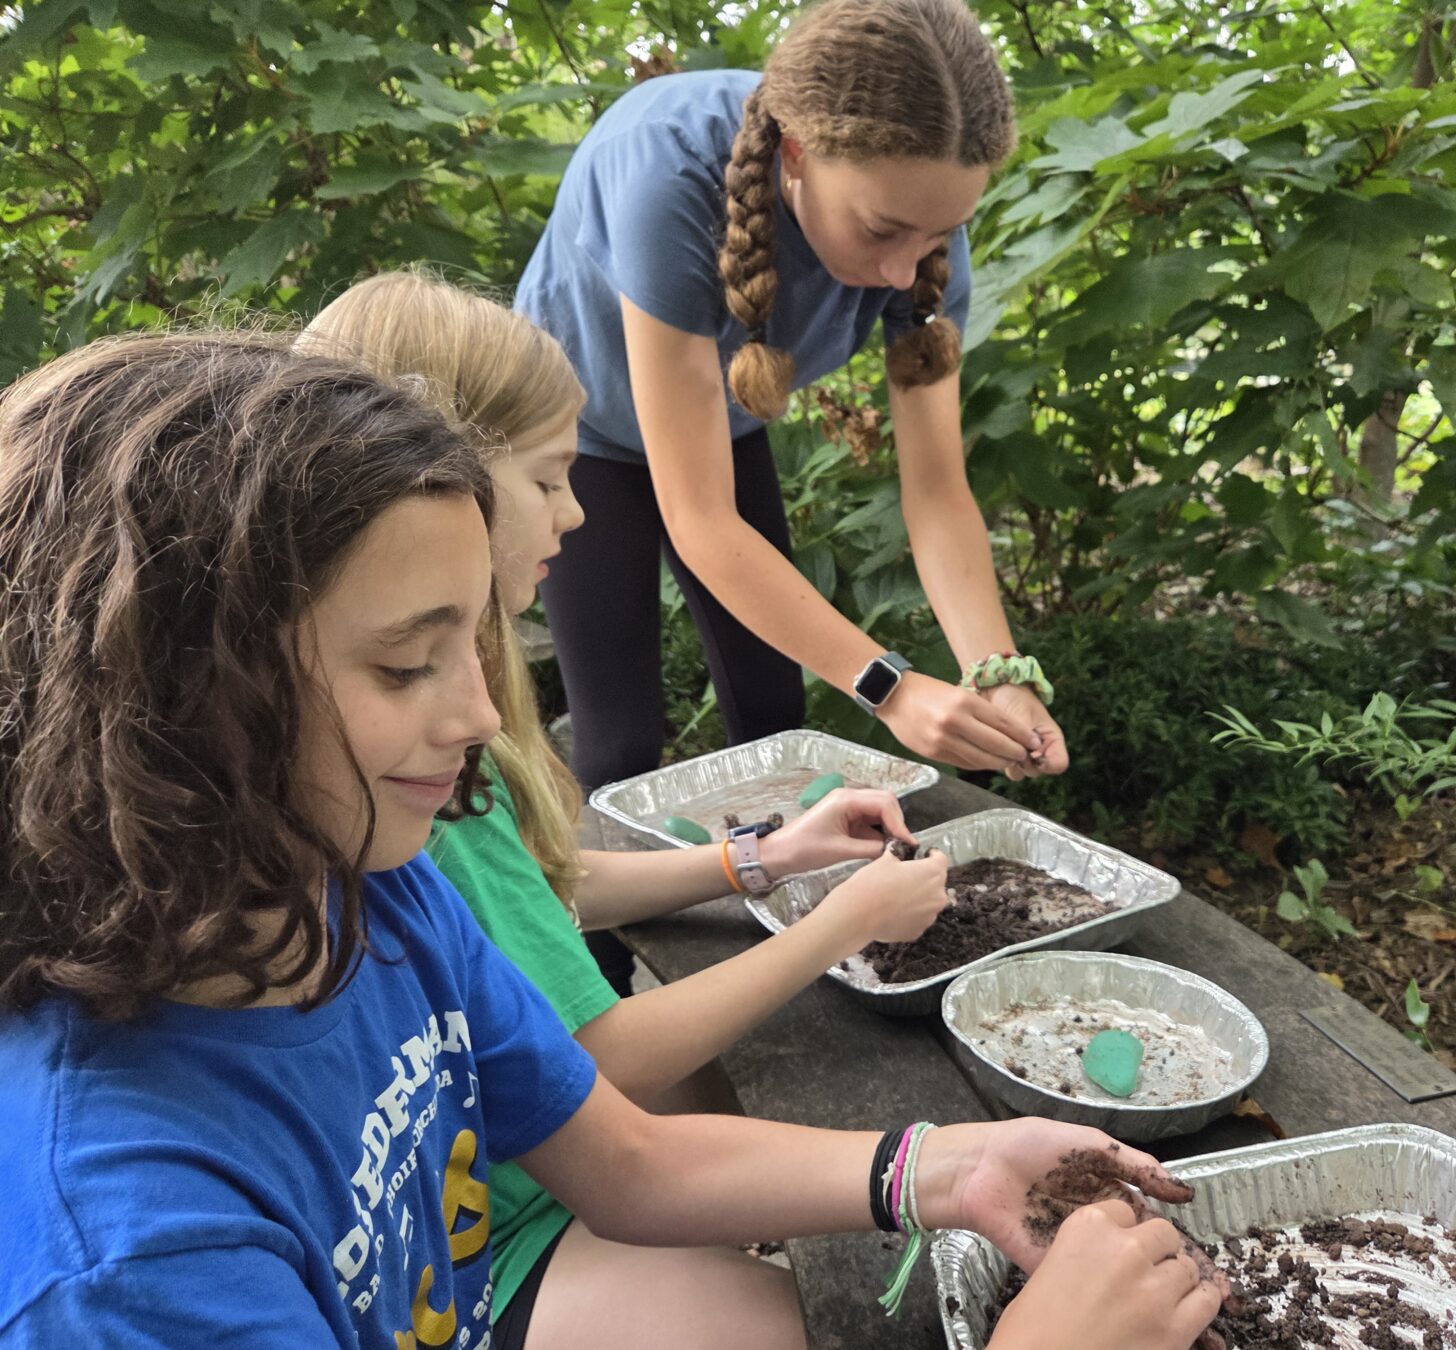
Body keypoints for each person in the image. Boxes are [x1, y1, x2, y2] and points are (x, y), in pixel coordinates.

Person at [0, 332, 1227, 1350]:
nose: (481, 715)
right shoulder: (127, 1252)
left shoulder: (370, 893)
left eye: (472, 651)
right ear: (162, 700)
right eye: (404, 664)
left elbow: (626, 1161)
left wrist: (947, 1171)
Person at [303, 269, 960, 1346]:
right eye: (553, 477)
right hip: (493, 1239)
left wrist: (761, 859)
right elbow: (600, 1059)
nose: (577, 510)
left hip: (531, 1180)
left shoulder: (429, 741)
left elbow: (543, 886)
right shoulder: (410, 777)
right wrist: (841, 923)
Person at [517, 0, 1068, 799]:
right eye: (882, 232)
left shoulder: (921, 220)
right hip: (575, 433)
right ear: (799, 155)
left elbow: (939, 492)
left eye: (937, 236)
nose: (905, 274)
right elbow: (700, 518)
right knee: (619, 739)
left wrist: (998, 673)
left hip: (724, 414)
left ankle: (778, 907)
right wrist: (892, 687)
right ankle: (582, 925)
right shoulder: (668, 177)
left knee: (774, 704)